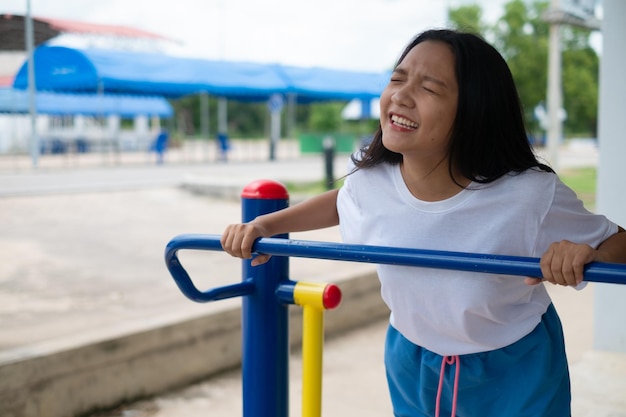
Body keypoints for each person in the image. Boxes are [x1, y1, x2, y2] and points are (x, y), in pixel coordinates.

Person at [221, 29, 626, 417]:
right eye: (397, 78)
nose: (401, 95)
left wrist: (587, 253)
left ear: (475, 112)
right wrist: (265, 226)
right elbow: (343, 202)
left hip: (515, 364)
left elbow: (619, 243)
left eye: (429, 88)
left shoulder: (529, 195)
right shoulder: (373, 179)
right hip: (412, 357)